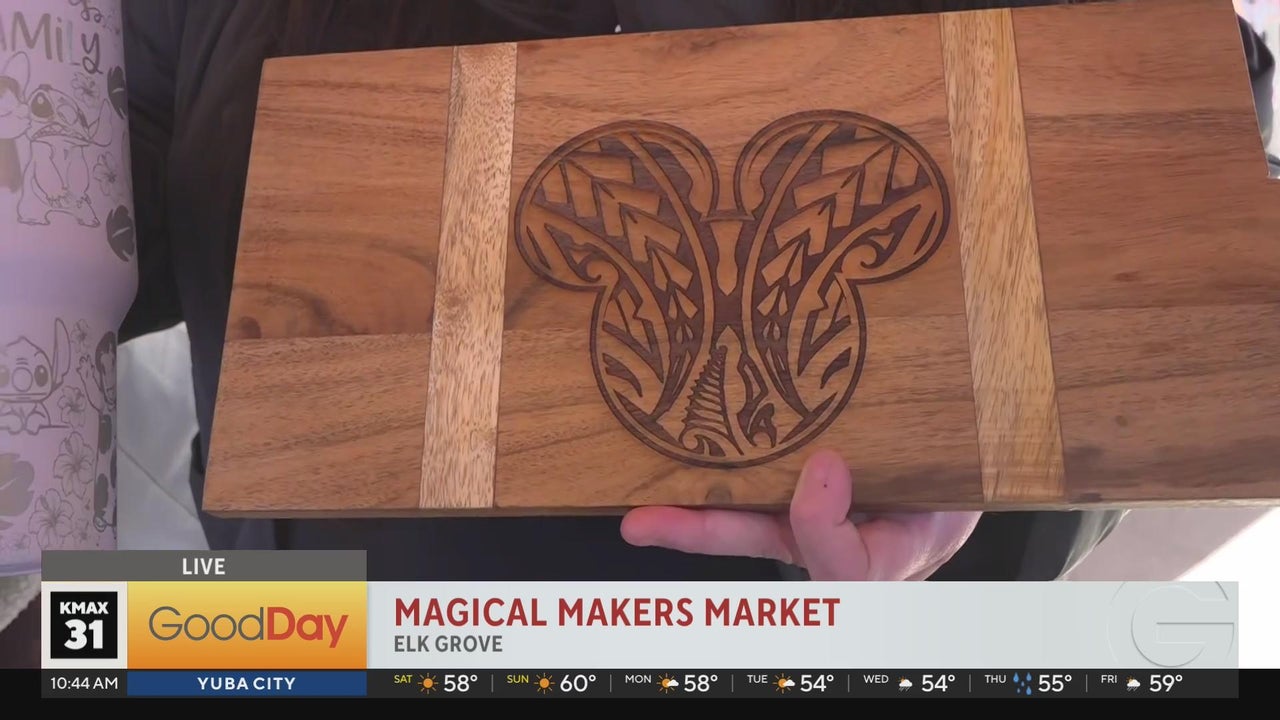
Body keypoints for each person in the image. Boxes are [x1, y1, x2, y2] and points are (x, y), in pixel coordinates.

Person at [4, 0, 1155, 663]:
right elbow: (99, 161)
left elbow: (1156, 230)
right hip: (296, 631)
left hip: (750, 642)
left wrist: (995, 450)